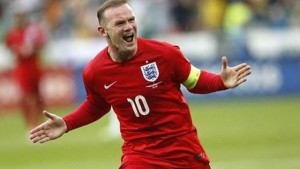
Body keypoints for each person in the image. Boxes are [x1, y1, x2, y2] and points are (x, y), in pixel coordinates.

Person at [30, 0, 251, 169]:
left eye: (131, 20)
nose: (128, 27)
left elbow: (194, 81)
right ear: (102, 31)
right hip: (140, 157)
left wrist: (220, 81)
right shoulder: (95, 72)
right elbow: (97, 105)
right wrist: (67, 123)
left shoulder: (165, 53)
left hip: (183, 152)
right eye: (119, 23)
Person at [5, 11, 46, 130]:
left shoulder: (32, 31)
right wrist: (19, 50)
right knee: (25, 97)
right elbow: (10, 47)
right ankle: (30, 124)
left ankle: (40, 122)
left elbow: (41, 43)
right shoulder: (12, 34)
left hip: (34, 68)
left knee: (38, 97)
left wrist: (33, 47)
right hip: (22, 70)